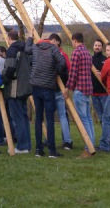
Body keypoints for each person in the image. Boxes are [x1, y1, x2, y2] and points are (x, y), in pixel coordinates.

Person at [25, 27, 66, 158]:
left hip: (35, 86)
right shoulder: (53, 49)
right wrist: (56, 71)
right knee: (49, 118)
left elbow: (26, 50)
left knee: (38, 118)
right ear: (51, 41)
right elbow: (62, 63)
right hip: (48, 87)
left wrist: (30, 38)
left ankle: (38, 149)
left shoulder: (36, 47)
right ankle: (52, 150)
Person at [63, 32, 95, 159]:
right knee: (88, 119)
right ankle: (91, 145)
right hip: (88, 90)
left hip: (80, 90)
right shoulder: (87, 52)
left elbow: (73, 72)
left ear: (74, 40)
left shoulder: (77, 52)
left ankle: (88, 148)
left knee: (84, 121)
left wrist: (67, 88)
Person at [2, 30, 32, 153]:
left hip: (15, 87)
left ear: (9, 38)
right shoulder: (25, 48)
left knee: (18, 118)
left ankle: (22, 146)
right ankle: (27, 144)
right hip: (25, 87)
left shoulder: (12, 50)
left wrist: (1, 81)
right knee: (24, 117)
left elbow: (9, 68)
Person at [91, 38, 110, 151]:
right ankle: (106, 139)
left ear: (102, 47)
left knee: (108, 118)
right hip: (94, 93)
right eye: (95, 45)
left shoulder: (105, 60)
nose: (97, 47)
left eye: (99, 45)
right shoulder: (90, 60)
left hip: (104, 93)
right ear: (93, 46)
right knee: (101, 118)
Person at [48, 34, 73, 149]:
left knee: (61, 115)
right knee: (57, 115)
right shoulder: (58, 54)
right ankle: (58, 140)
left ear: (57, 42)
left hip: (58, 89)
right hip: (53, 88)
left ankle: (66, 140)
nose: (50, 42)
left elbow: (68, 70)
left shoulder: (61, 55)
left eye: (52, 40)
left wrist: (67, 86)